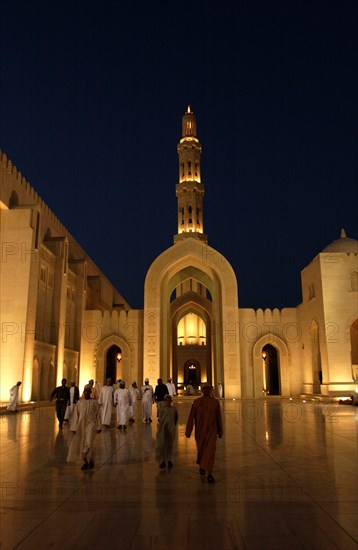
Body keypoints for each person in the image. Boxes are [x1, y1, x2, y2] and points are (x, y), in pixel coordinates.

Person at [185, 382, 223, 483]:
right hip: (200, 431)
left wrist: (220, 430)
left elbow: (218, 418)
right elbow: (191, 417)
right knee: (201, 450)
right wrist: (188, 430)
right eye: (204, 388)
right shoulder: (196, 402)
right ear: (202, 390)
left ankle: (209, 473)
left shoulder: (215, 403)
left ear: (211, 390)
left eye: (208, 388)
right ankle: (202, 465)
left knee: (210, 451)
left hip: (212, 430)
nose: (206, 390)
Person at [67, 384, 102, 470]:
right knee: (82, 444)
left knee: (89, 443)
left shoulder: (94, 402)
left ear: (90, 392)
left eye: (88, 391)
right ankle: (86, 462)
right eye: (85, 391)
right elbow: (76, 415)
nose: (87, 392)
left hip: (91, 425)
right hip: (81, 425)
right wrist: (74, 428)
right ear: (83, 392)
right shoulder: (79, 403)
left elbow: (98, 415)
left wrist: (99, 426)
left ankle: (88, 459)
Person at [156, 394, 178, 469]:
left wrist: (172, 426)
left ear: (171, 401)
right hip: (163, 429)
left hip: (171, 428)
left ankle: (169, 459)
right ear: (164, 401)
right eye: (166, 400)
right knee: (162, 445)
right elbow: (159, 418)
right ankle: (162, 460)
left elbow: (176, 418)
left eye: (169, 400)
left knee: (169, 444)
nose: (168, 401)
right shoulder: (161, 409)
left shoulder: (174, 409)